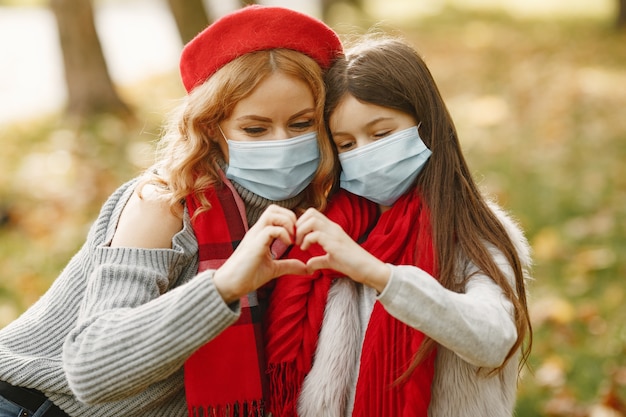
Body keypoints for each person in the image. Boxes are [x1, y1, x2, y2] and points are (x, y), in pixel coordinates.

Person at [0, 5, 343, 417]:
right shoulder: (167, 202)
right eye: (255, 129)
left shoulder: (321, 206)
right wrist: (224, 286)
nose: (281, 143)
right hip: (33, 406)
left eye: (301, 124)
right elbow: (90, 367)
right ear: (213, 127)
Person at [264, 35, 533, 417]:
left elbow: (496, 339)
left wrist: (380, 275)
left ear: (425, 124)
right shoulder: (332, 229)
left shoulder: (474, 231)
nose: (365, 153)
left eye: (381, 134)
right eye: (346, 144)